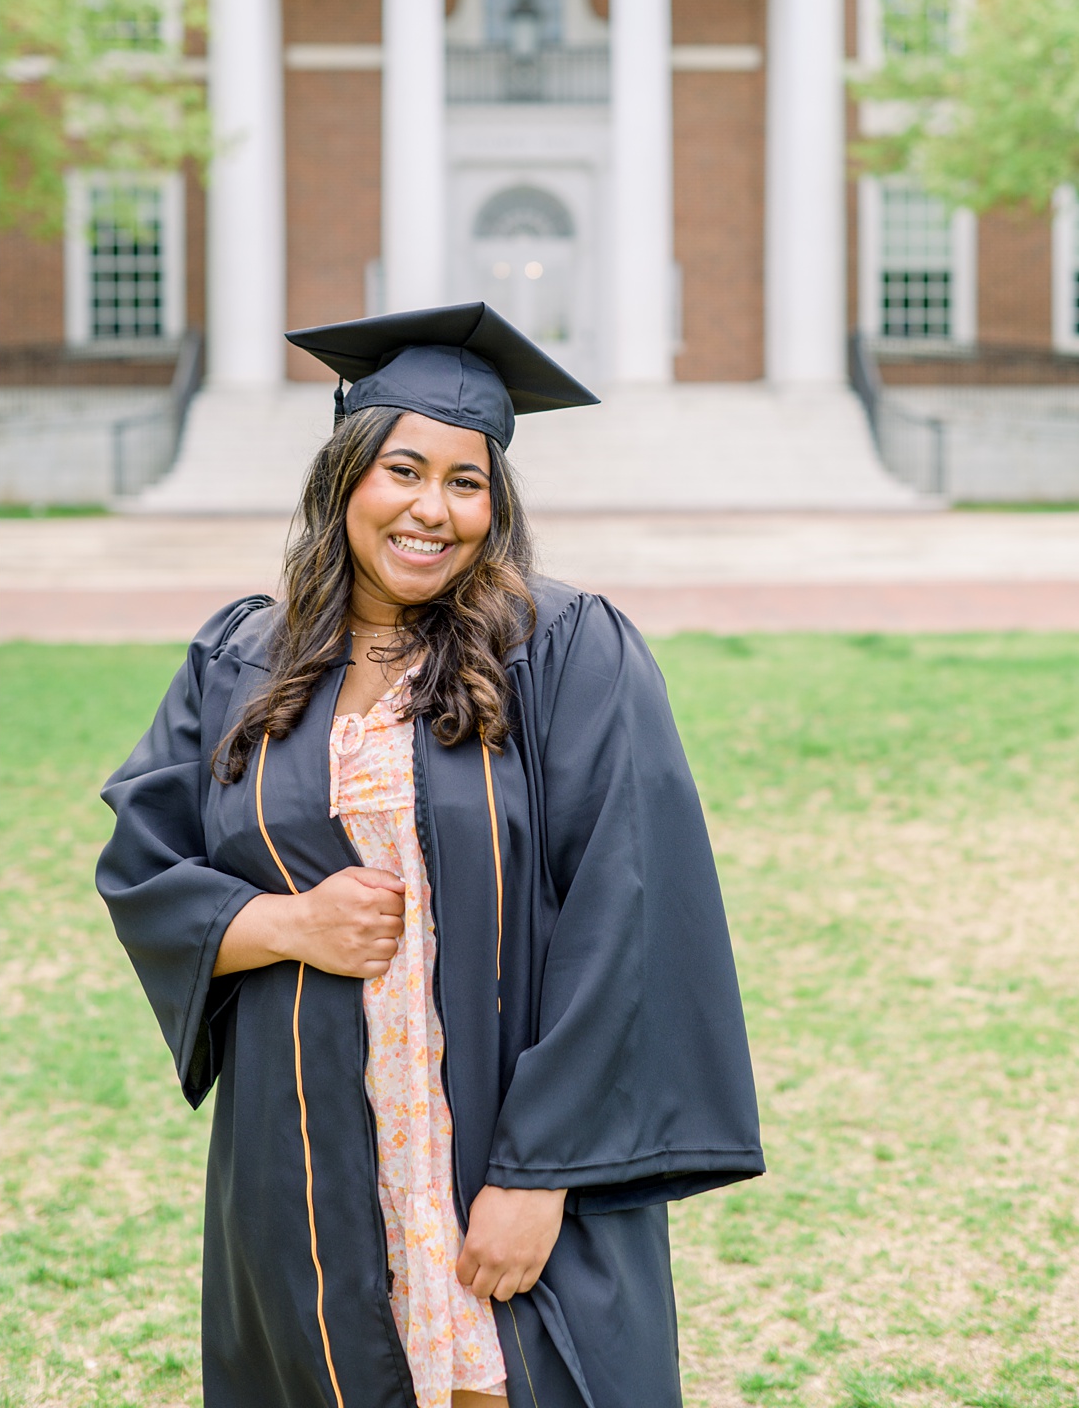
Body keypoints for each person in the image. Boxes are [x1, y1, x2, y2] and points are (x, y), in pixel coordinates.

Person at [98, 303, 763, 1408]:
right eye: (404, 468)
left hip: (496, 1149)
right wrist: (289, 924)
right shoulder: (241, 659)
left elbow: (629, 913)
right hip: (310, 1155)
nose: (432, 508)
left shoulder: (564, 650)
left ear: (496, 505)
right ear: (346, 477)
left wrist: (540, 1176)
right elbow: (142, 866)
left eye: (467, 480)